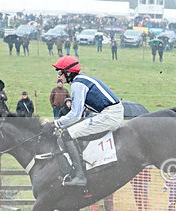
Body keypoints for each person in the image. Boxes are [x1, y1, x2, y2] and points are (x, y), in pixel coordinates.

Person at [52, 55, 125, 187]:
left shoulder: (77, 85)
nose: (59, 76)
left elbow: (75, 114)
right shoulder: (81, 80)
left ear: (68, 72)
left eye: (60, 72)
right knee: (76, 130)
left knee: (67, 134)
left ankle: (80, 176)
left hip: (110, 115)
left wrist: (56, 123)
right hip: (110, 112)